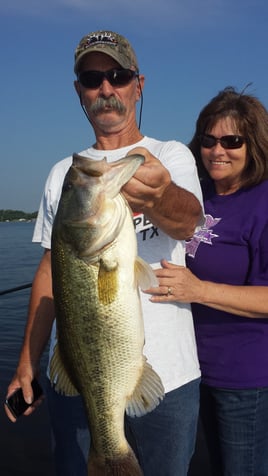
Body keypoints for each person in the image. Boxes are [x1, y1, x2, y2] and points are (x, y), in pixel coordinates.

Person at [5, 30, 204, 476]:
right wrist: (26, 364)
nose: (106, 88)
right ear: (79, 91)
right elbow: (49, 270)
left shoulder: (170, 156)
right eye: (92, 78)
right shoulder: (63, 173)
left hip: (169, 377)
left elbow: (189, 221)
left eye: (118, 75)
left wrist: (161, 194)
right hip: (79, 373)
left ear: (139, 84)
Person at [147, 87, 268, 475]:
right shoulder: (195, 197)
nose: (218, 150)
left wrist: (197, 290)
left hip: (244, 379)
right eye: (208, 140)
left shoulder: (262, 201)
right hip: (188, 373)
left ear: (254, 144)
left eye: (232, 141)